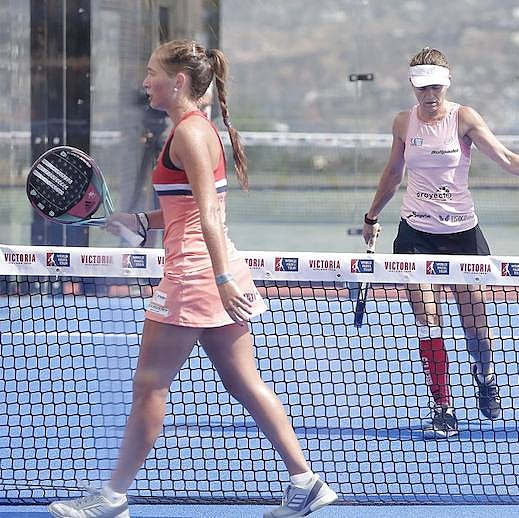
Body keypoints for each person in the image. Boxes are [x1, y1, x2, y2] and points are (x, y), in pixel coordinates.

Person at [48, 40, 336, 517]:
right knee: (244, 381)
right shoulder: (193, 130)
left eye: (150, 73)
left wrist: (221, 278)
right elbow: (186, 209)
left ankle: (113, 496)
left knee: (149, 386)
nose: (144, 82)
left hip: (197, 277)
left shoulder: (190, 133)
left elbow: (208, 214)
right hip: (213, 272)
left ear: (176, 81)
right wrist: (143, 221)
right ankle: (305, 482)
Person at [363, 47, 519, 439]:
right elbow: (393, 174)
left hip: (463, 235)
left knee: (476, 329)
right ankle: (442, 406)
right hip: (415, 234)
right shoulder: (402, 123)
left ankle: (485, 376)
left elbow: (505, 157)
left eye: (436, 86)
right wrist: (371, 217)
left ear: (446, 83)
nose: (429, 94)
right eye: (422, 87)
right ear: (412, 85)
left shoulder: (464, 117)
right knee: (429, 323)